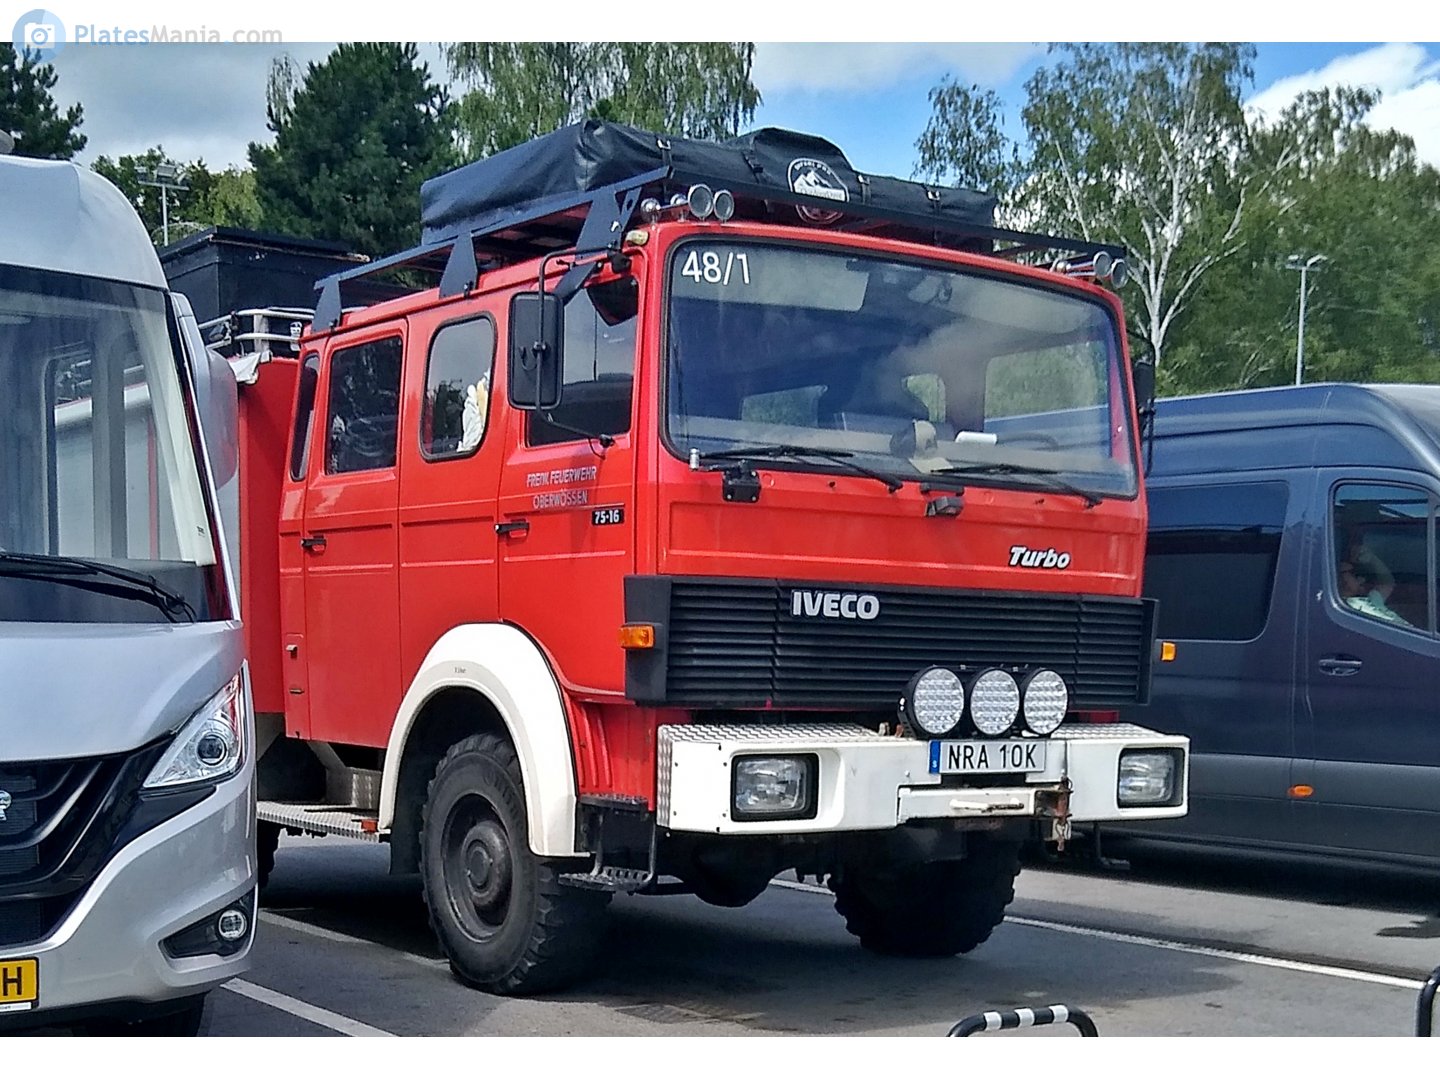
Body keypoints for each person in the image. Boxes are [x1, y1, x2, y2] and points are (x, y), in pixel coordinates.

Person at [1337, 546, 1411, 627]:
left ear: (1360, 580)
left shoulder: (1373, 598)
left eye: (1345, 575)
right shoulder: (1341, 607)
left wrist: (1372, 558)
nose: (1342, 580)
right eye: (1338, 578)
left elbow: (1387, 581)